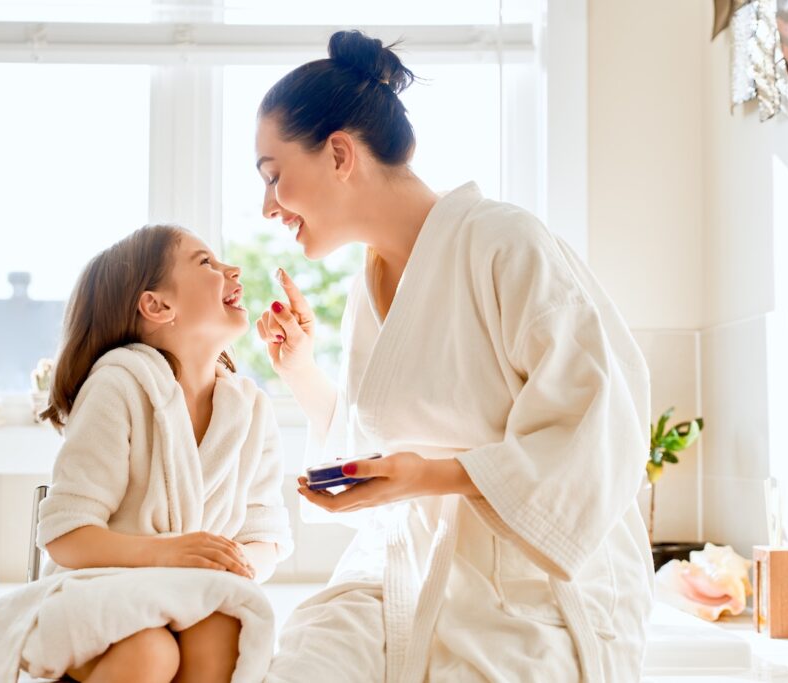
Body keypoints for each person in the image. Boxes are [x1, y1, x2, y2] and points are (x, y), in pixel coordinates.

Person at [254, 30, 653, 682]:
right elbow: (376, 445)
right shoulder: (370, 280)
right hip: (401, 556)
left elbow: (596, 424)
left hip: (530, 571)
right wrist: (301, 370)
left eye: (274, 177)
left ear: (339, 154)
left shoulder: (505, 243)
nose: (269, 206)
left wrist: (431, 476)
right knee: (306, 660)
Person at [0, 225, 292, 683]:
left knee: (222, 632)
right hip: (101, 594)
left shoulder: (249, 410)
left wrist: (234, 564)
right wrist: (170, 553)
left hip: (196, 598)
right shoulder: (119, 385)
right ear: (157, 305)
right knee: (150, 652)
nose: (233, 269)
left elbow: (263, 534)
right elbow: (66, 535)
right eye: (206, 262)